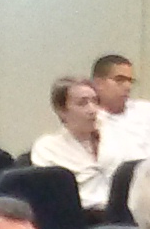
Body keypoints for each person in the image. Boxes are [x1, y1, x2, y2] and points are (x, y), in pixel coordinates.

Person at [28, 76, 111, 211]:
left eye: (95, 101)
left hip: (120, 213)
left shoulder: (112, 138)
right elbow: (54, 196)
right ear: (62, 111)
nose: (93, 110)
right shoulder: (48, 147)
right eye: (82, 103)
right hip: (80, 216)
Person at [90, 53, 150, 167]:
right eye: (119, 80)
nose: (127, 87)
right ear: (98, 83)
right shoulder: (90, 119)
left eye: (130, 81)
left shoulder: (147, 110)